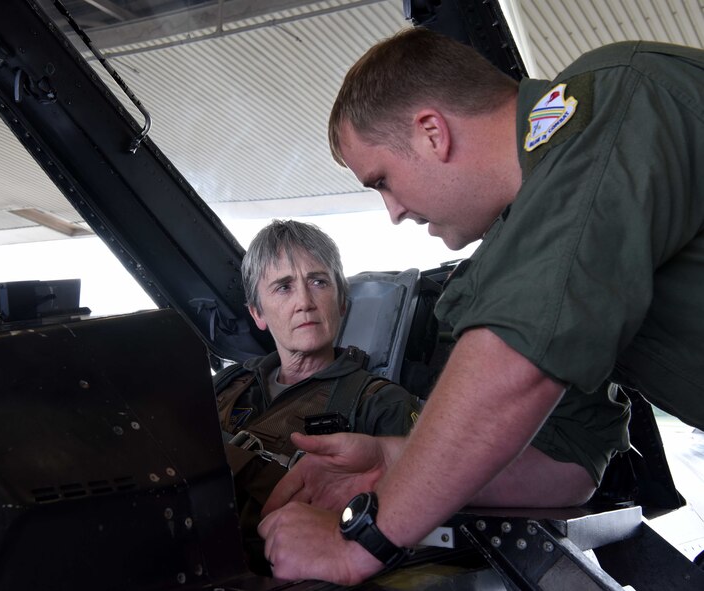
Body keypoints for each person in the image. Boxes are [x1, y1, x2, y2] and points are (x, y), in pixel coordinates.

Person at [258, 28, 704, 584]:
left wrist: (364, 542)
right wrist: (392, 463)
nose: (393, 212)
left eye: (383, 181)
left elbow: (516, 367)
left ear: (430, 133)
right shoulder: (536, 247)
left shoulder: (613, 105)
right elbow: (568, 469)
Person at [215, 219, 422, 574]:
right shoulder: (230, 384)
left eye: (318, 281)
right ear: (257, 313)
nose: (305, 302)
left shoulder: (382, 404)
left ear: (342, 301)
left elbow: (415, 536)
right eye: (283, 287)